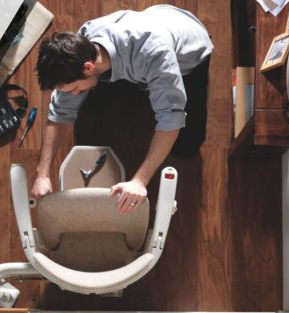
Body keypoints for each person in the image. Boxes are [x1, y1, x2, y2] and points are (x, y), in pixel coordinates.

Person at [31, 4, 213, 213]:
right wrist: (42, 174)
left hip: (188, 55)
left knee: (187, 146)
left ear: (89, 67)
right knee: (91, 105)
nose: (71, 94)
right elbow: (60, 112)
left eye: (72, 88)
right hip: (150, 33)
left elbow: (170, 120)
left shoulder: (154, 53)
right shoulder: (83, 43)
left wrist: (139, 181)